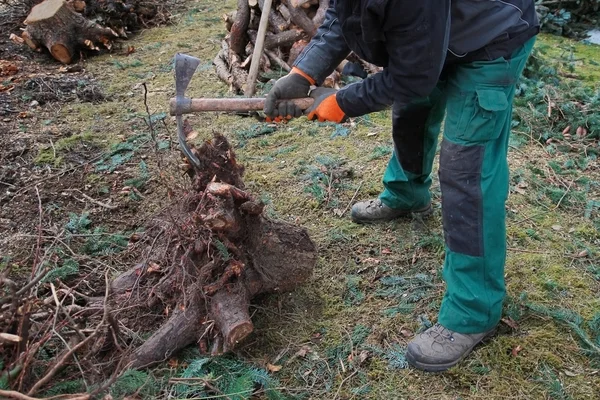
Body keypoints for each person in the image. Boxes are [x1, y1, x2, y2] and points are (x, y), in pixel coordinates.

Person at [264, 0, 539, 372]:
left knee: (466, 171)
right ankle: (407, 193)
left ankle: (474, 310)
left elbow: (411, 76)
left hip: (490, 37)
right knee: (412, 111)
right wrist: (304, 72)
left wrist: (342, 102)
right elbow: (345, 14)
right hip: (436, 29)